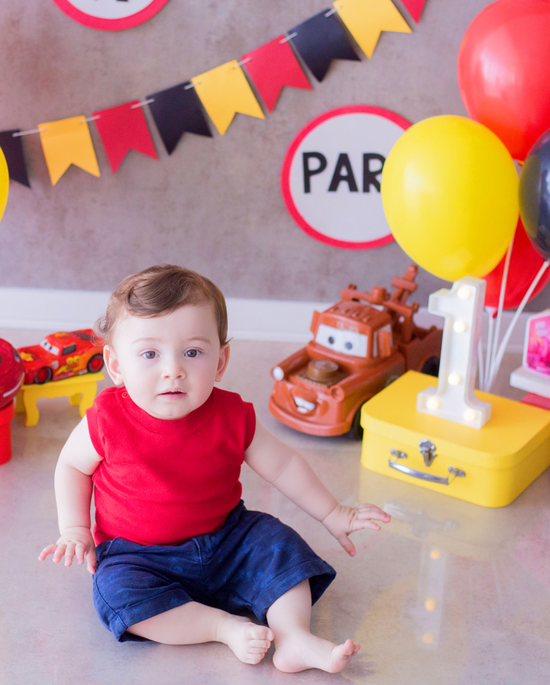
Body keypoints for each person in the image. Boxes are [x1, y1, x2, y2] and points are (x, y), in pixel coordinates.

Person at [39, 265, 390, 673]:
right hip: (137, 554)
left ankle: (294, 636)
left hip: (227, 538)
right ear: (116, 365)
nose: (173, 369)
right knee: (117, 593)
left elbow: (284, 465)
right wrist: (75, 529)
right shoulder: (106, 420)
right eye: (150, 354)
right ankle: (220, 627)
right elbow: (70, 467)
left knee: (278, 545)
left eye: (192, 352)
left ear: (221, 360)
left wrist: (334, 513)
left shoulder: (231, 416)